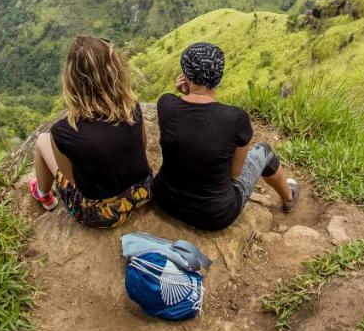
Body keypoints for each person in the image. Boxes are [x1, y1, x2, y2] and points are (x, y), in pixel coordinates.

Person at [152, 41, 299, 231]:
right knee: (265, 151)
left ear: (185, 75)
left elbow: (190, 122)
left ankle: (288, 195)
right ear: (219, 77)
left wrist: (188, 94)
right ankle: (288, 197)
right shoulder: (235, 118)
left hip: (165, 200)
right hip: (214, 215)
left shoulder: (166, 104)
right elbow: (234, 174)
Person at [28, 35, 152, 229]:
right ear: (114, 71)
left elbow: (72, 181)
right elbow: (143, 145)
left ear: (72, 80)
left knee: (43, 140)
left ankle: (44, 195)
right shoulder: (131, 107)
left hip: (103, 215)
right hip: (143, 191)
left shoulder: (63, 131)